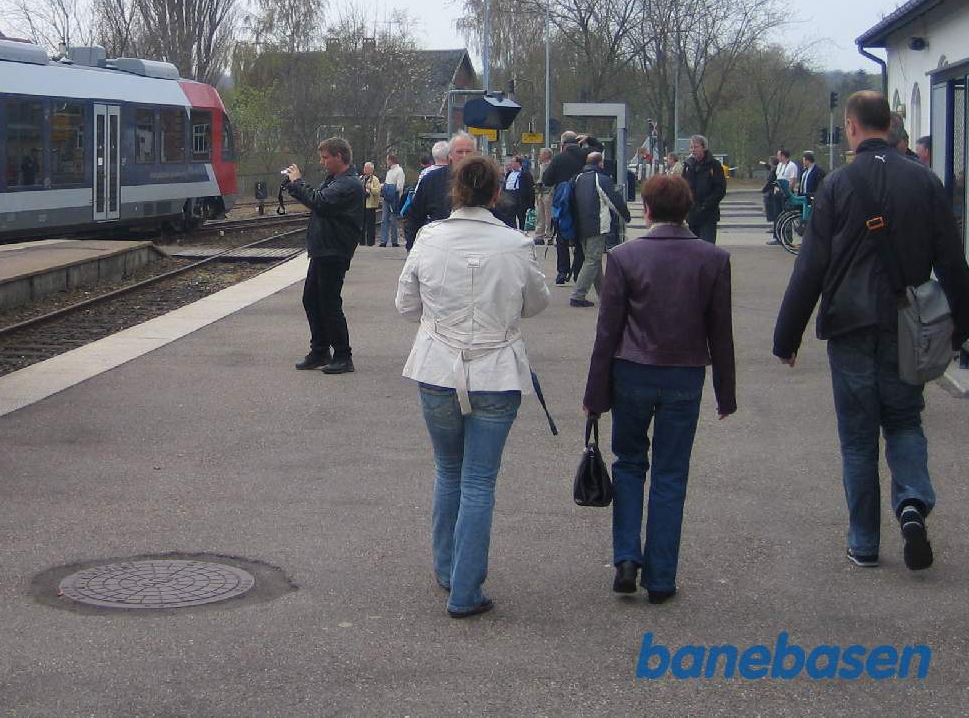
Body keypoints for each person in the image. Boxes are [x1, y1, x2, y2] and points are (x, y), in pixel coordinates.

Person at [773, 90, 969, 572]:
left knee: (858, 438)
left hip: (849, 324)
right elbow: (952, 262)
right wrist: (960, 331)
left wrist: (788, 336)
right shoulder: (926, 182)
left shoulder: (838, 186)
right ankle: (912, 503)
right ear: (891, 125)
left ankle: (863, 541)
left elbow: (811, 266)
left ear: (852, 126)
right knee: (904, 420)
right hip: (909, 324)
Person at [395, 153, 550, 618]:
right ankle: (465, 588)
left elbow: (405, 305)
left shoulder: (428, 238)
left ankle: (447, 569)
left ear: (455, 190)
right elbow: (536, 304)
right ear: (496, 192)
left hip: (438, 368)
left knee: (448, 471)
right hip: (497, 371)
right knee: (479, 481)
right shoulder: (515, 244)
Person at [582, 173, 736, 604]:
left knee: (629, 464)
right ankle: (662, 576)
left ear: (645, 210)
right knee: (671, 473)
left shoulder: (625, 257)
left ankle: (627, 557)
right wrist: (726, 392)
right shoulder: (713, 258)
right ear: (687, 210)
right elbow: (720, 333)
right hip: (684, 375)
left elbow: (607, 331)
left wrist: (595, 395)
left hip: (631, 370)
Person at [284, 137, 365, 375]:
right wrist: (293, 187)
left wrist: (298, 182)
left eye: (326, 157)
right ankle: (320, 351)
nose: (322, 162)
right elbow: (317, 200)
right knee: (311, 299)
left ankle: (343, 355)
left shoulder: (349, 183)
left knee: (329, 302)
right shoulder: (336, 180)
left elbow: (320, 201)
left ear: (340, 157)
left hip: (334, 250)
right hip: (323, 249)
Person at [569, 151, 631, 308]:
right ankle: (578, 295)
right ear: (600, 163)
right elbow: (613, 200)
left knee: (593, 259)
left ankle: (604, 295)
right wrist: (626, 216)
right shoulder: (601, 179)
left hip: (580, 225)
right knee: (592, 260)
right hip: (596, 225)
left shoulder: (578, 178)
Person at [405, 133, 474, 250]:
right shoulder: (432, 180)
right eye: (460, 151)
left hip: (474, 246)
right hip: (439, 247)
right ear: (450, 155)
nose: (464, 156)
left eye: (468, 152)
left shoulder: (485, 180)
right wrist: (412, 247)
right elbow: (415, 216)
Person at [542, 132, 588, 285]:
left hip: (563, 203)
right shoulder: (585, 156)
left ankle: (562, 272)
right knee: (581, 238)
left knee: (562, 236)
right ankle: (578, 271)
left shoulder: (558, 159)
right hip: (582, 201)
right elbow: (598, 149)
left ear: (563, 145)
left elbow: (547, 180)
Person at [682, 135, 726, 243]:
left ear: (704, 147)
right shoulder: (688, 165)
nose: (693, 150)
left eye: (696, 147)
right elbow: (683, 187)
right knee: (693, 248)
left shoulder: (714, 165)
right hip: (692, 214)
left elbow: (720, 189)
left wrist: (706, 205)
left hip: (708, 214)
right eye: (691, 147)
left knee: (707, 246)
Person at [379, 153, 405, 247]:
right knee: (384, 219)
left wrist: (388, 188)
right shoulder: (389, 172)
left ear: (391, 161)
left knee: (393, 220)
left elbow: (399, 186)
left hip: (395, 198)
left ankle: (394, 240)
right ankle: (383, 240)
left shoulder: (399, 171)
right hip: (387, 197)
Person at [533, 148, 554, 246]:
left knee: (549, 215)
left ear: (546, 155)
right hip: (540, 193)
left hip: (548, 192)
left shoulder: (551, 166)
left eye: (541, 154)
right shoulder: (539, 166)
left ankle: (550, 235)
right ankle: (539, 235)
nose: (539, 156)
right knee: (539, 215)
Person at [361, 161, 382, 247]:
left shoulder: (375, 179)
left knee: (370, 224)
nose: (365, 170)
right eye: (364, 168)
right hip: (362, 204)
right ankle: (361, 241)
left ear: (371, 170)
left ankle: (370, 242)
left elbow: (377, 191)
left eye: (367, 168)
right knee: (361, 224)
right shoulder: (361, 178)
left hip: (371, 205)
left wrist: (371, 188)